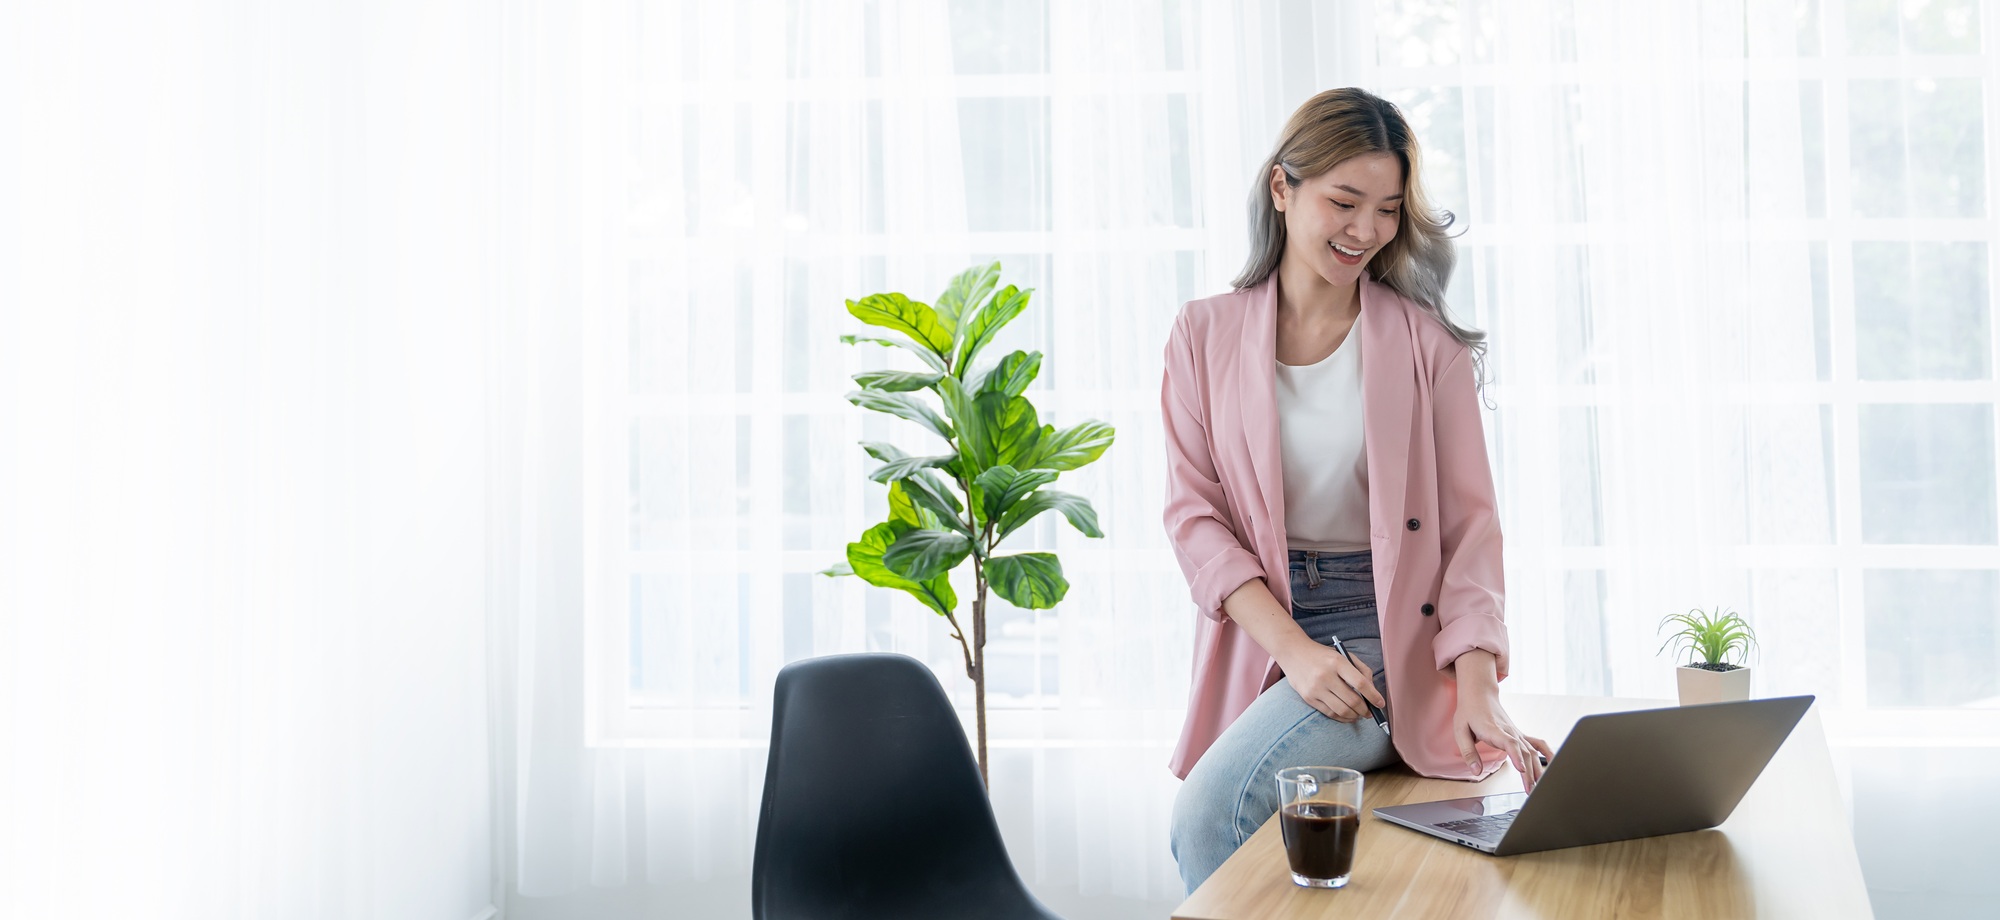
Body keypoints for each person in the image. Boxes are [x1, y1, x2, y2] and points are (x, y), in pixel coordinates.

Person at [1161, 87, 1554, 896]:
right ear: (1282, 188)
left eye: (1386, 209)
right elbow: (1194, 517)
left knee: (1212, 814)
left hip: (1384, 633)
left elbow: (1471, 533)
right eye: (1344, 202)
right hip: (1264, 632)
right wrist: (1294, 651)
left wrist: (1478, 683)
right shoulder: (1202, 334)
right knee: (1231, 827)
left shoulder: (1425, 344)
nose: (1367, 231)